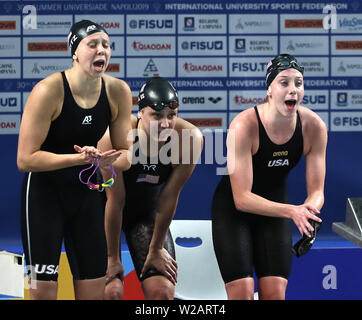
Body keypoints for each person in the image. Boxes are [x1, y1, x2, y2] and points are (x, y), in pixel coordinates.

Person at [17, 20, 132, 300]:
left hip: (87, 197)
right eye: (92, 44)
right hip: (44, 197)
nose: (101, 50)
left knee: (93, 293)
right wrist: (77, 159)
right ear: (74, 53)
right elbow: (25, 158)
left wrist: (106, 162)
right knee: (42, 293)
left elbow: (126, 157)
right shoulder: (49, 91)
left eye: (106, 44)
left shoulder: (118, 92)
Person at [211, 54, 327, 300]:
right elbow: (241, 198)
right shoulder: (243, 126)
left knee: (275, 295)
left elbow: (317, 192)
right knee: (242, 294)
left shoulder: (314, 127)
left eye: (298, 83)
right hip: (234, 213)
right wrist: (292, 211)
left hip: (275, 213)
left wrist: (309, 213)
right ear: (269, 90)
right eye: (284, 83)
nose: (293, 90)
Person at [98, 77, 203, 300]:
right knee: (111, 292)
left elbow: (168, 198)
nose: (165, 124)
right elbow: (115, 201)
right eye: (156, 116)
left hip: (145, 214)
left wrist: (156, 249)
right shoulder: (114, 136)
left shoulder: (189, 138)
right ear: (140, 113)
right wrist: (112, 258)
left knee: (162, 292)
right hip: (104, 213)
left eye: (171, 116)